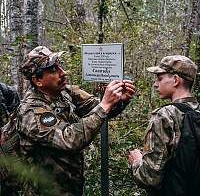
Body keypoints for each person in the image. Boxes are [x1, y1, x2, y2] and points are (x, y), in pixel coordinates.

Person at [17, 46, 135, 196]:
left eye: (59, 65)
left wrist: (118, 100)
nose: (62, 72)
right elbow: (70, 139)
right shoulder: (31, 111)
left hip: (70, 185)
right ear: (38, 80)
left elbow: (96, 109)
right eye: (53, 70)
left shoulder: (64, 92)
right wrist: (105, 104)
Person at [128, 55, 199, 196]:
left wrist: (136, 161)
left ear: (176, 80)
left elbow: (149, 177)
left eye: (160, 78)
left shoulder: (165, 116)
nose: (155, 84)